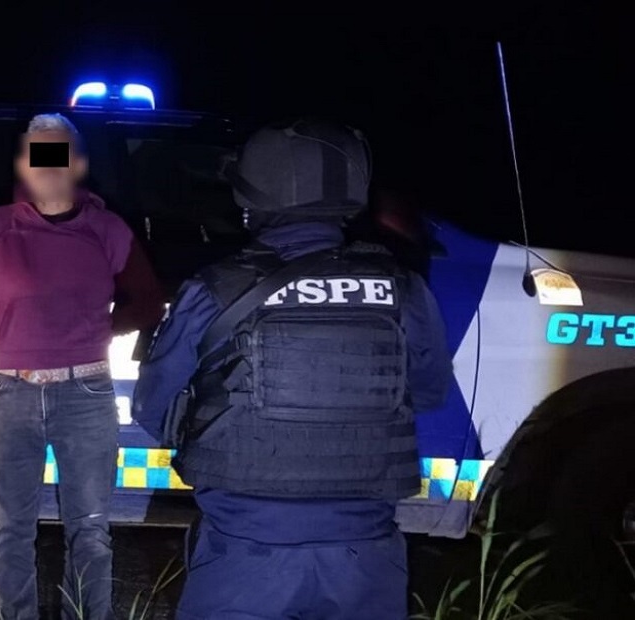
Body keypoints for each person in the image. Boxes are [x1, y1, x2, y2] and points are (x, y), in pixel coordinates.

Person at [133, 119, 452, 620]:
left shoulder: (214, 289)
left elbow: (152, 409)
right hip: (364, 559)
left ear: (253, 196)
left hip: (244, 555)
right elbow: (430, 394)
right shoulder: (402, 288)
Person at [0, 113, 163, 620]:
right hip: (10, 392)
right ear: (23, 164)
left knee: (90, 530)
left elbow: (149, 301)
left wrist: (98, 332)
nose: (47, 167)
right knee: (11, 530)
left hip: (85, 394)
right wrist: (4, 327)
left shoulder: (106, 228)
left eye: (58, 154)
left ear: (77, 163)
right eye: (37, 155)